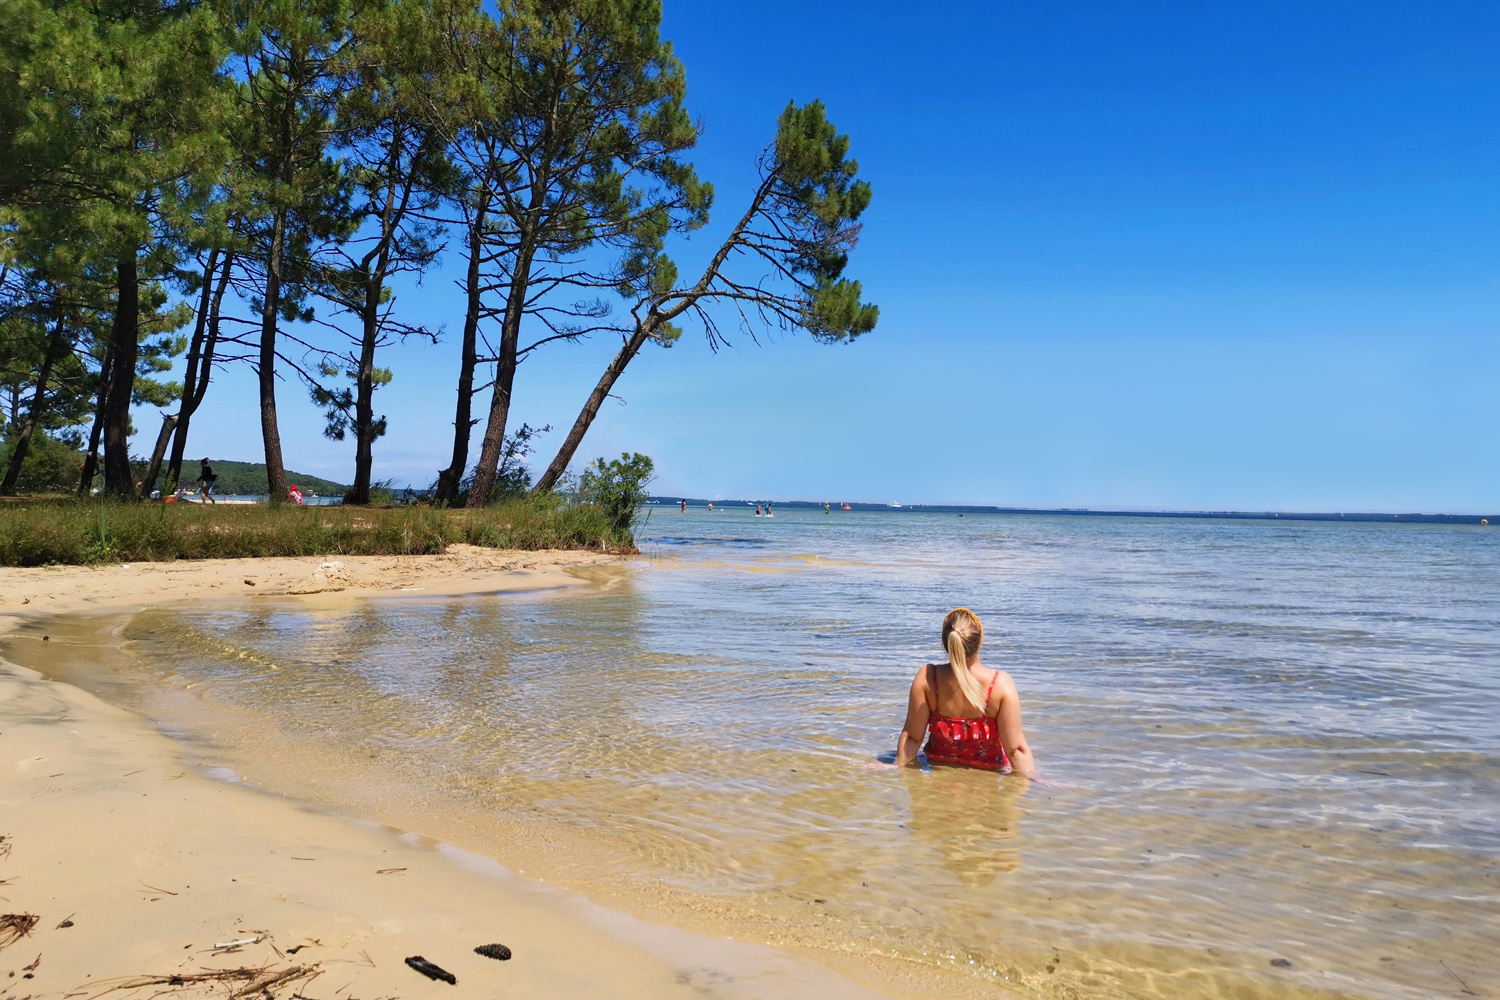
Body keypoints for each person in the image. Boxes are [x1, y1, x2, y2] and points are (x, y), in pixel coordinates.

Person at [895, 608, 1034, 777]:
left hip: (939, 773)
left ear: (946, 643)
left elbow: (912, 738)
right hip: (985, 779)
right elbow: (1015, 750)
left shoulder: (928, 678)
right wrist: (1033, 781)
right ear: (979, 641)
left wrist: (897, 766)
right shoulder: (1000, 685)